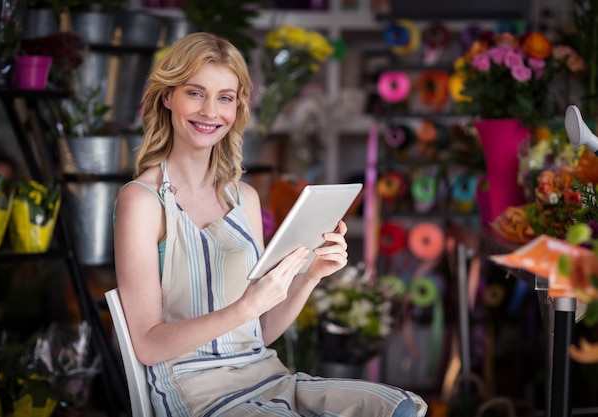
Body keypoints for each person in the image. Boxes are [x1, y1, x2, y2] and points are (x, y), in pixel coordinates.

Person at [113, 31, 428, 417]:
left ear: (237, 107)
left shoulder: (243, 198)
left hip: (267, 377)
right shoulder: (142, 202)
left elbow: (259, 330)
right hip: (197, 390)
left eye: (225, 97)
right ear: (167, 96)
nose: (211, 111)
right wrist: (243, 309)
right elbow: (147, 344)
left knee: (395, 407)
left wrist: (311, 274)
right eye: (195, 93)